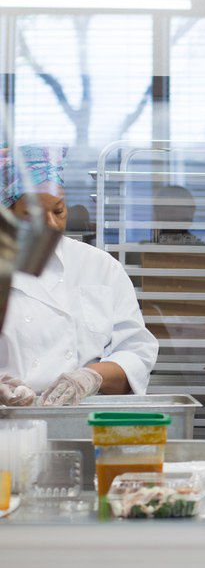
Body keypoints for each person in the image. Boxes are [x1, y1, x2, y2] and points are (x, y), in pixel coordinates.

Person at [0, 145, 158, 406]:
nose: (52, 224)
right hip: (7, 421)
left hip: (84, 417)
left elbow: (137, 352)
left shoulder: (99, 267)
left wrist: (92, 377)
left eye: (58, 211)